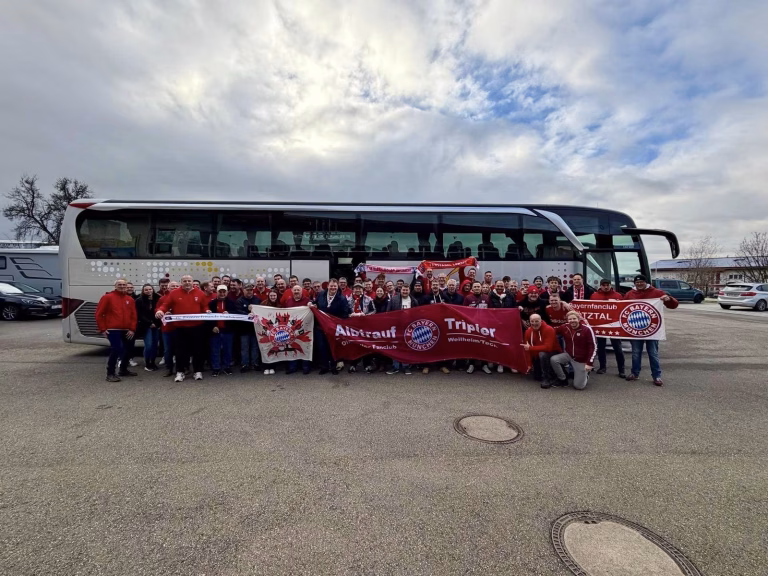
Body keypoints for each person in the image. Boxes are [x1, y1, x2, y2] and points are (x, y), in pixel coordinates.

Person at [623, 274, 678, 386]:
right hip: (635, 330)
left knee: (653, 353)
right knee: (635, 353)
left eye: (641, 282)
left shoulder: (657, 293)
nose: (639, 284)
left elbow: (674, 305)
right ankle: (635, 373)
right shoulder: (630, 294)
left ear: (646, 282)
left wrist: (669, 299)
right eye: (637, 282)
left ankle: (656, 376)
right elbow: (621, 306)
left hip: (651, 330)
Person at [155, 275, 208, 382]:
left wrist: (207, 311)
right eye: (185, 281)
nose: (187, 282)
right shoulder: (174, 293)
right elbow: (165, 305)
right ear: (181, 282)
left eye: (189, 281)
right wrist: (160, 311)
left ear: (192, 282)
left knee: (197, 350)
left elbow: (205, 306)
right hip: (180, 327)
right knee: (180, 351)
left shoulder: (200, 293)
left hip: (196, 327)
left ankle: (197, 371)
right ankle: (180, 372)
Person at [95, 278, 138, 382]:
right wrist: (103, 329)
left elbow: (133, 315)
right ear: (115, 286)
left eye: (124, 285)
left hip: (127, 329)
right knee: (116, 349)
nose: (122, 286)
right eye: (120, 284)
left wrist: (132, 328)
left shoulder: (130, 299)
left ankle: (123, 370)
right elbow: (99, 314)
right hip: (113, 329)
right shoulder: (107, 297)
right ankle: (110, 373)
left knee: (129, 349)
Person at [313, 279, 351, 375]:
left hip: (333, 328)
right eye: (331, 286)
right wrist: (311, 304)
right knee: (322, 347)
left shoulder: (342, 298)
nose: (333, 288)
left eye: (335, 286)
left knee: (333, 347)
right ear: (328, 286)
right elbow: (315, 303)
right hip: (320, 326)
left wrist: (335, 321)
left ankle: (334, 367)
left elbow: (345, 313)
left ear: (337, 287)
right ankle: (324, 367)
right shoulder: (321, 295)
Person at [551, 311, 596, 390]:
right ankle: (563, 379)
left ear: (578, 319)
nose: (572, 321)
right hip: (569, 355)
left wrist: (589, 363)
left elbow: (593, 346)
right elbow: (551, 330)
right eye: (570, 319)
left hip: (581, 359)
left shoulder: (587, 329)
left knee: (579, 386)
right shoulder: (565, 327)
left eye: (574, 318)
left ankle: (586, 373)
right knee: (554, 359)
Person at [590, 278, 626, 378]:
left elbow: (622, 308)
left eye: (607, 285)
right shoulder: (594, 296)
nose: (606, 287)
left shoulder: (618, 295)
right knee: (601, 348)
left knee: (618, 348)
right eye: (604, 285)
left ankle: (621, 369)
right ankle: (602, 367)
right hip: (600, 326)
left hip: (614, 327)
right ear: (600, 286)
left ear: (610, 285)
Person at [522, 314, 561, 387]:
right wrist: (529, 365)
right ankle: (546, 373)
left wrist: (531, 348)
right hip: (538, 354)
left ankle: (547, 378)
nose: (534, 323)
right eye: (532, 321)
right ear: (529, 322)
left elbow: (548, 347)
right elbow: (527, 349)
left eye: (537, 321)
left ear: (541, 321)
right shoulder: (528, 331)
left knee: (542, 354)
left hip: (553, 353)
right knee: (537, 377)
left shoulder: (549, 329)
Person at [386, 284, 416, 375]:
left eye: (407, 290)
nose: (405, 292)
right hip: (396, 326)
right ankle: (395, 367)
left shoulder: (414, 301)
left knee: (406, 347)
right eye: (403, 290)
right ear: (400, 290)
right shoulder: (394, 299)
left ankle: (406, 366)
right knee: (396, 347)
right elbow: (388, 312)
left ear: (409, 291)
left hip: (409, 327)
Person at [346, 283, 376, 373]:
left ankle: (367, 364)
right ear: (353, 290)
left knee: (366, 345)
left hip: (365, 326)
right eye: (356, 288)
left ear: (363, 290)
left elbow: (374, 310)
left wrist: (366, 315)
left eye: (359, 288)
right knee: (353, 345)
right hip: (352, 326)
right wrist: (350, 315)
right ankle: (353, 364)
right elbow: (344, 310)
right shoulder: (347, 300)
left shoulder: (369, 299)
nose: (358, 290)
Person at [208, 285, 237, 376]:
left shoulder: (232, 303)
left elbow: (236, 314)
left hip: (227, 330)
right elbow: (207, 317)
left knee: (227, 350)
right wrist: (212, 326)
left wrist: (230, 313)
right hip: (215, 330)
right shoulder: (211, 303)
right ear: (217, 292)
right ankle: (216, 368)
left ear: (227, 292)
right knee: (215, 350)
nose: (222, 293)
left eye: (224, 292)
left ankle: (227, 367)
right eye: (220, 292)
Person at [284, 284, 313, 375]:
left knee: (304, 346)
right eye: (295, 290)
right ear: (292, 291)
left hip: (304, 328)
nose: (296, 292)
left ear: (302, 291)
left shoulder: (307, 301)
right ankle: (293, 367)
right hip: (292, 329)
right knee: (292, 347)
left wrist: (311, 305)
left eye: (298, 290)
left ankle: (306, 367)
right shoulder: (288, 301)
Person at [236, 283, 261, 373]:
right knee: (244, 348)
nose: (249, 292)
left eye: (251, 290)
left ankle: (255, 363)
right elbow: (238, 312)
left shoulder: (257, 300)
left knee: (255, 347)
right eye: (247, 290)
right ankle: (245, 364)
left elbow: (261, 311)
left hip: (255, 328)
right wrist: (247, 313)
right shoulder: (239, 301)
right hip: (244, 329)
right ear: (243, 291)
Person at [135, 283, 161, 371]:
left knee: (155, 345)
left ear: (153, 290)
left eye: (150, 289)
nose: (148, 291)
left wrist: (156, 323)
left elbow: (160, 311)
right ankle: (147, 363)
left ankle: (153, 362)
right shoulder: (139, 300)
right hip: (145, 326)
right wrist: (149, 323)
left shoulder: (158, 298)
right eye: (146, 290)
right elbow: (139, 314)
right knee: (148, 345)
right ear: (143, 291)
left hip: (156, 325)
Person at [158, 280, 179, 377]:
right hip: (167, 328)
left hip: (179, 327)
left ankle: (182, 367)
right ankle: (169, 368)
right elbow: (157, 309)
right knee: (167, 350)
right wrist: (162, 313)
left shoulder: (181, 297)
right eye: (172, 286)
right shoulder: (163, 298)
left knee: (180, 349)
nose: (174, 288)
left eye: (176, 286)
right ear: (168, 288)